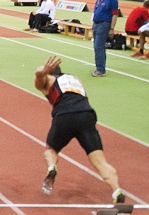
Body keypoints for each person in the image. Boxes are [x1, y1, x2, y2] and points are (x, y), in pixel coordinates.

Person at [34, 56, 125, 203]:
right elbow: (86, 100)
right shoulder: (75, 80)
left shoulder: (48, 81)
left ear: (49, 73)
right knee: (99, 161)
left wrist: (41, 72)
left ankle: (52, 167)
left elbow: (38, 76)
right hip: (86, 115)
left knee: (51, 150)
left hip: (65, 116)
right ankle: (116, 190)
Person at [90, 0, 120, 76]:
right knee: (96, 46)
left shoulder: (112, 0)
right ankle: (98, 67)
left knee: (99, 46)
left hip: (104, 24)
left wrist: (112, 28)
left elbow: (115, 14)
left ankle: (101, 69)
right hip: (96, 24)